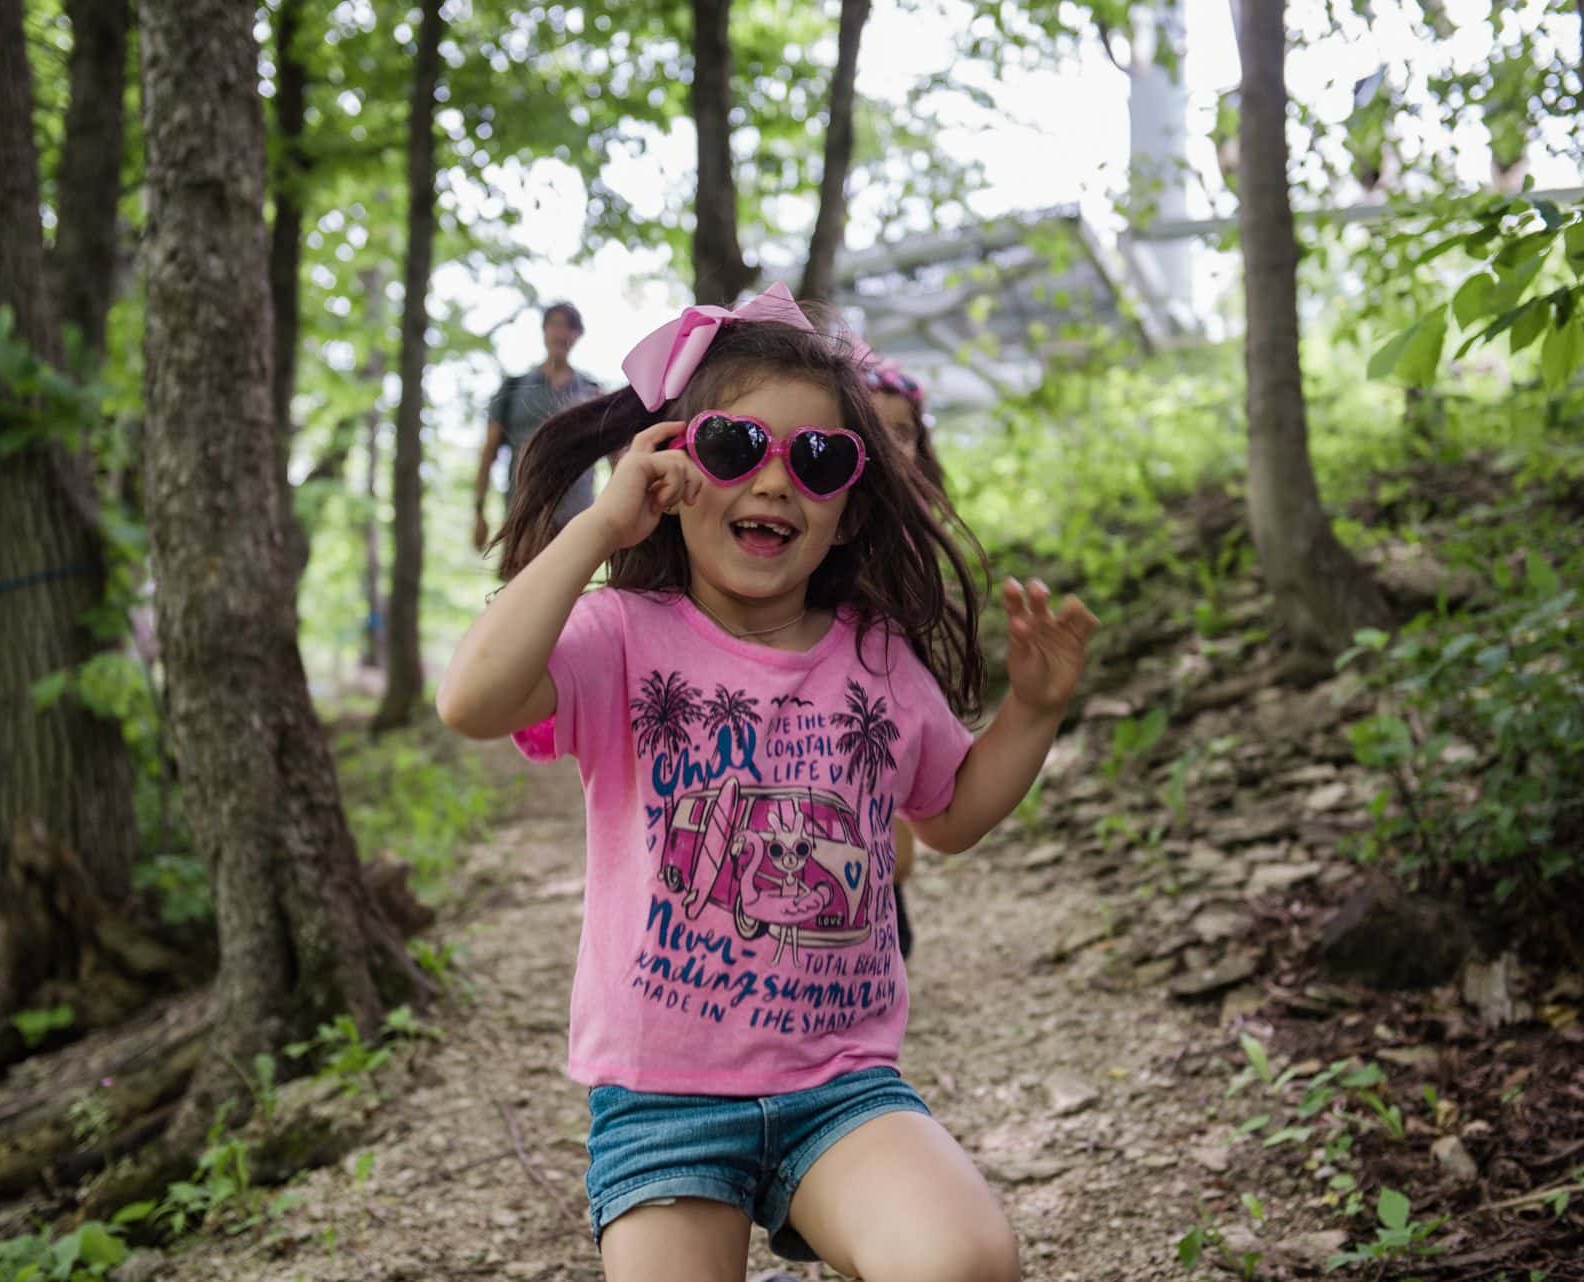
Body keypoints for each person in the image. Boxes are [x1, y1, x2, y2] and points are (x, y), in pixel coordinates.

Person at [437, 281, 1096, 1282]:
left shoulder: (875, 656)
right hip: (660, 1102)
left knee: (964, 1261)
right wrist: (597, 532)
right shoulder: (622, 638)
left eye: (819, 459)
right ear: (671, 469)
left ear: (849, 501)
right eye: (736, 449)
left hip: (840, 1089)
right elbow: (473, 699)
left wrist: (1033, 712)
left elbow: (953, 813)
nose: (777, 483)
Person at [859, 348, 945, 961]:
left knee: (887, 809)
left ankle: (890, 906)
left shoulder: (916, 529)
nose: (891, 446)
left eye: (904, 433)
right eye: (875, 431)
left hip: (889, 686)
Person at [472, 301, 603, 549]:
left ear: (578, 335)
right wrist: (479, 511)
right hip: (525, 515)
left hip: (577, 519)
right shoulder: (514, 388)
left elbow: (615, 455)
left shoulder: (591, 391)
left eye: (569, 327)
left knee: (572, 587)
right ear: (544, 330)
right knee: (522, 585)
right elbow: (489, 451)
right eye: (554, 325)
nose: (561, 333)